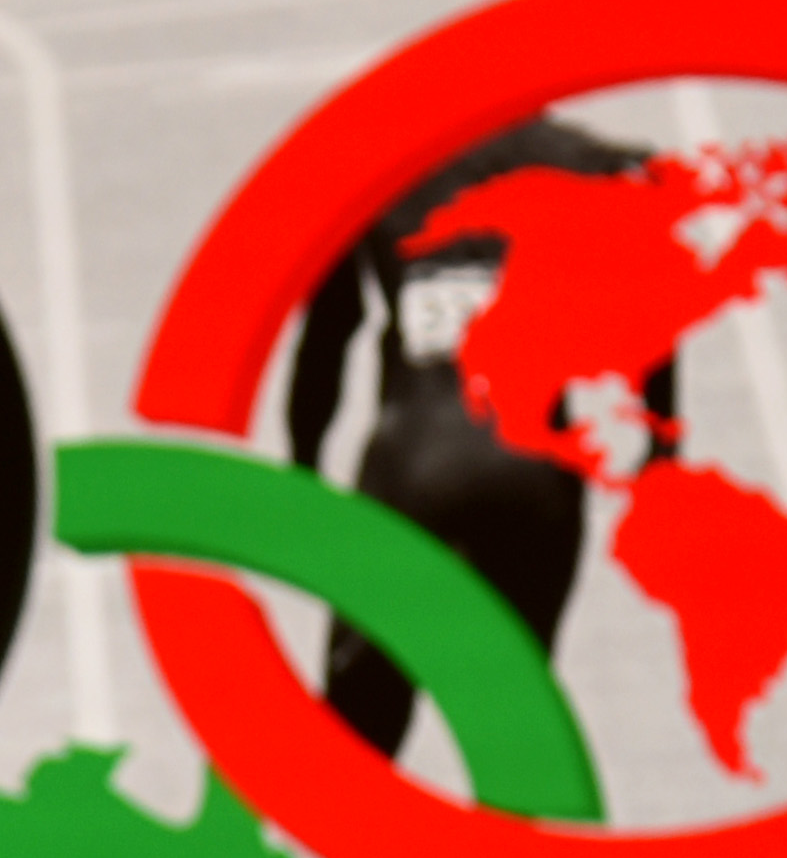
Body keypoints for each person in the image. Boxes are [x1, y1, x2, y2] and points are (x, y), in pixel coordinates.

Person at [282, 116, 677, 763]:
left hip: (411, 469)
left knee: (357, 743)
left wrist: (302, 468)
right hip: (532, 477)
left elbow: (327, 339)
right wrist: (661, 439)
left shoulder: (378, 168)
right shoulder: (573, 157)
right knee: (514, 737)